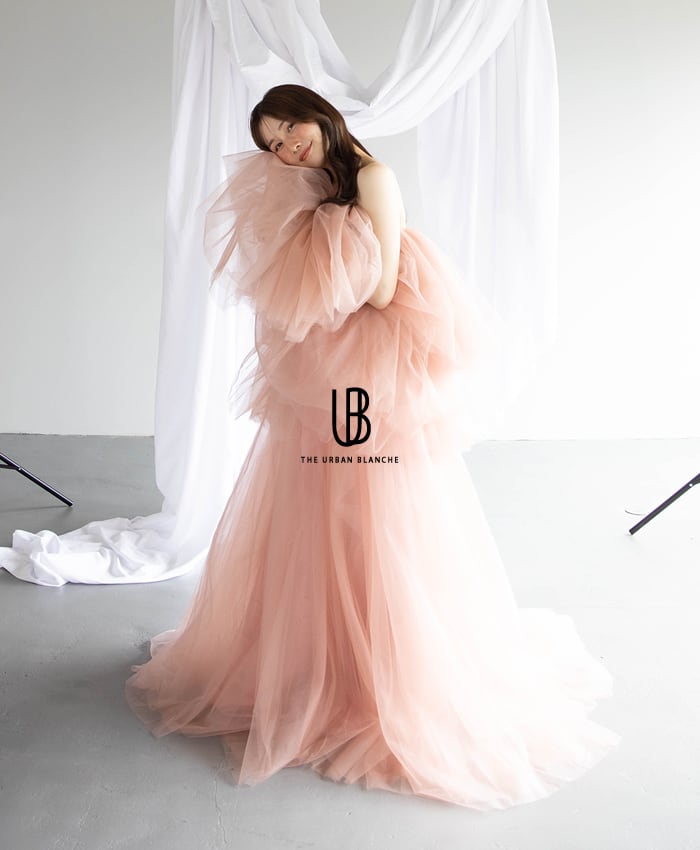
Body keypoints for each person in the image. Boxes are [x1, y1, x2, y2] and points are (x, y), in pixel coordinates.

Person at [125, 84, 620, 810]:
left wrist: (327, 239)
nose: (285, 148)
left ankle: (381, 663)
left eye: (289, 128)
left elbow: (383, 290)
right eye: (272, 143)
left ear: (318, 115)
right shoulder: (307, 185)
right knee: (312, 499)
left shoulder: (373, 179)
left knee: (374, 502)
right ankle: (316, 654)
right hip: (320, 365)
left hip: (369, 365)